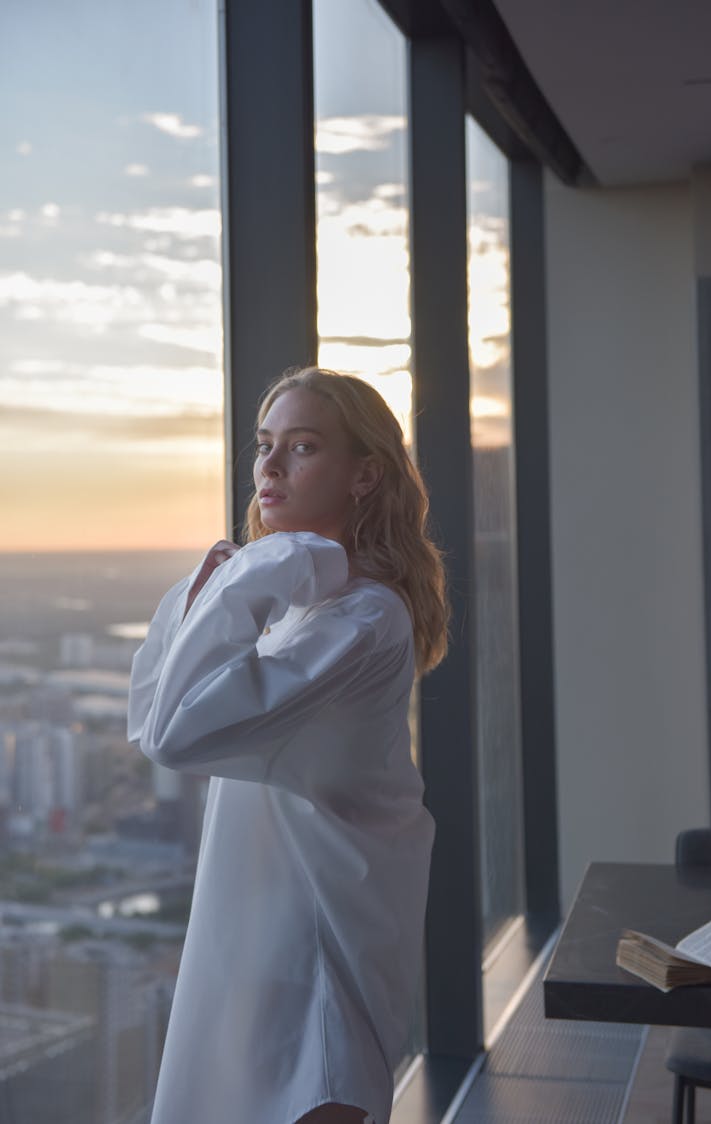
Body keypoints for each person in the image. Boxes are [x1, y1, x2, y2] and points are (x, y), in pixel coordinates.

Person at [127, 366, 449, 1124]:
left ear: (365, 473)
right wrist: (253, 572)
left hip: (315, 942)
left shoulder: (361, 619)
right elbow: (151, 715)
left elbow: (174, 733)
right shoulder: (312, 609)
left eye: (301, 447)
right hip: (265, 932)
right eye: (264, 445)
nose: (269, 467)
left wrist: (277, 557)